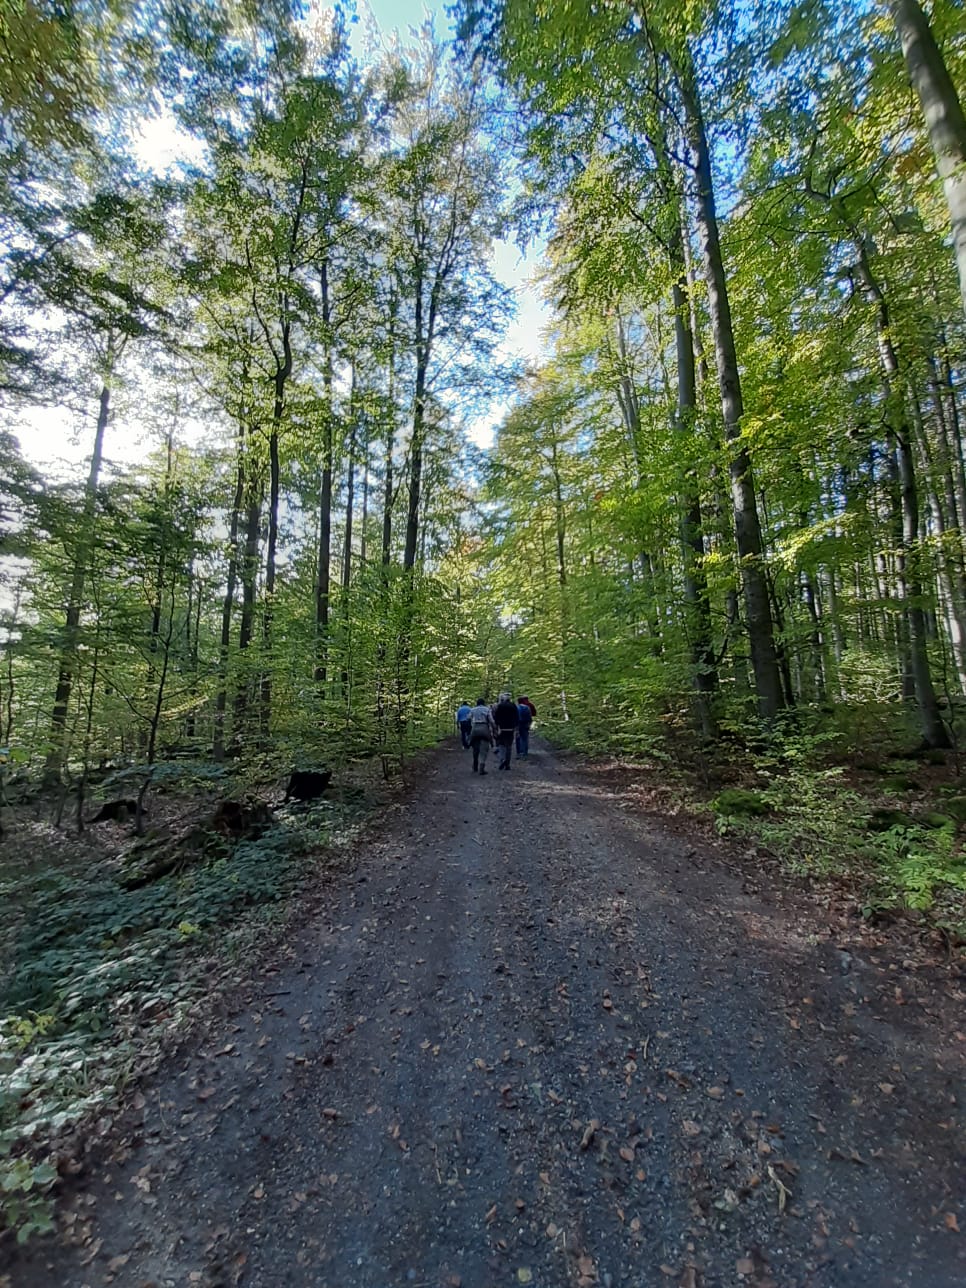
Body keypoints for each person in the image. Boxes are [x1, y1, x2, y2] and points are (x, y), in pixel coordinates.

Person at [492, 691, 520, 771]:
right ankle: (507, 764)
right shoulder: (513, 706)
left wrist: (496, 728)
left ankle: (502, 759)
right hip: (510, 729)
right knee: (509, 746)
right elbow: (517, 717)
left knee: (501, 745)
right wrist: (516, 728)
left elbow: (496, 718)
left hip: (502, 729)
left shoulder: (500, 706)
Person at [468, 698, 496, 774]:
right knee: (484, 748)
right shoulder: (487, 709)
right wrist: (494, 729)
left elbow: (468, 717)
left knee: (475, 748)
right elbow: (491, 720)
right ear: (484, 703)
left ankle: (475, 765)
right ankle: (482, 766)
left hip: (475, 728)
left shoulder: (473, 709)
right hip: (484, 728)